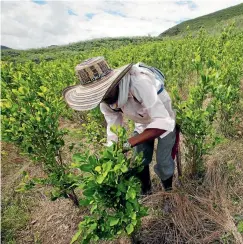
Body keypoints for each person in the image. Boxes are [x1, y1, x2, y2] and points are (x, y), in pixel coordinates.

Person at [63, 56, 176, 194]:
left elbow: (162, 122)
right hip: (142, 121)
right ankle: (146, 192)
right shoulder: (106, 102)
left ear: (114, 82)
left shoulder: (139, 83)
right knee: (139, 161)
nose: (102, 97)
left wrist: (127, 144)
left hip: (165, 118)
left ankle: (169, 192)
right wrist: (111, 154)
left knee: (164, 161)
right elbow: (113, 130)